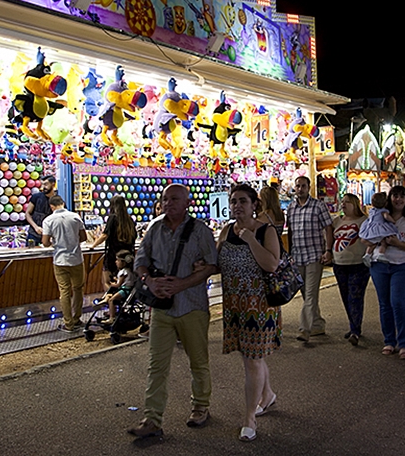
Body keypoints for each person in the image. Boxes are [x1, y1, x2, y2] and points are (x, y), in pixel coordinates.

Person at [127, 184, 218, 439]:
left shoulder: (200, 231)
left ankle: (201, 406)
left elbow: (211, 265)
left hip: (192, 306)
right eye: (165, 199)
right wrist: (149, 281)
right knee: (157, 364)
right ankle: (152, 418)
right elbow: (140, 261)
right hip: (162, 308)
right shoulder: (155, 228)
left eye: (175, 199)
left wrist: (182, 284)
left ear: (187, 202)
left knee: (198, 361)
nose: (169, 203)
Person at [213, 184, 281, 442]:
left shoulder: (265, 231)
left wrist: (251, 240)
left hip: (259, 307)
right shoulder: (226, 231)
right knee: (251, 358)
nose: (237, 206)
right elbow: (218, 265)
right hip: (234, 306)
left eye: (243, 201)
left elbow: (272, 264)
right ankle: (268, 395)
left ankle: (249, 418)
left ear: (255, 205)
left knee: (252, 360)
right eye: (233, 201)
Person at [366, 185, 405, 360]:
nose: (398, 199)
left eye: (402, 196)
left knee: (398, 301)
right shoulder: (379, 216)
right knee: (384, 304)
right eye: (395, 196)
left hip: (402, 265)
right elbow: (367, 236)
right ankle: (389, 340)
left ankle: (404, 342)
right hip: (380, 265)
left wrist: (398, 244)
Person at [287, 175, 334, 343]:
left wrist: (328, 250)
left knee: (311, 293)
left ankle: (304, 329)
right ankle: (318, 324)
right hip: (298, 256)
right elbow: (291, 231)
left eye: (303, 186)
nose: (300, 189)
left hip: (314, 255)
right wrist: (290, 252)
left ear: (309, 187)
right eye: (298, 186)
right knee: (306, 294)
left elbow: (328, 227)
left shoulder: (318, 206)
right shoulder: (291, 208)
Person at [41, 195, 87, 333]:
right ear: (63, 203)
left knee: (64, 291)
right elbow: (83, 237)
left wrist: (55, 242)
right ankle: (77, 319)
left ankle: (68, 323)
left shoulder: (48, 220)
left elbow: (45, 242)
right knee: (78, 289)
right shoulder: (75, 217)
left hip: (60, 260)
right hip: (77, 259)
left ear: (52, 206)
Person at [331, 193, 369, 345]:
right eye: (342, 202)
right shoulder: (336, 221)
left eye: (347, 202)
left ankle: (355, 330)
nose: (343, 204)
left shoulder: (364, 221)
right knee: (346, 296)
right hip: (339, 263)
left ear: (355, 204)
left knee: (355, 296)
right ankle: (353, 325)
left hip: (358, 264)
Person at [88, 195, 137, 290]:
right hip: (127, 256)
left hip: (113, 255)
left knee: (107, 281)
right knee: (123, 282)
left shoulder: (113, 218)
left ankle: (110, 300)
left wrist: (93, 245)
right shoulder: (129, 220)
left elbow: (105, 235)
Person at [359, 192, 399, 265]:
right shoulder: (383, 211)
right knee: (383, 242)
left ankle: (367, 254)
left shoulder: (372, 210)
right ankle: (381, 254)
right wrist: (393, 221)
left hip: (370, 228)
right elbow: (386, 217)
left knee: (372, 243)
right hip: (379, 228)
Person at [98, 249, 136, 323]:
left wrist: (110, 283)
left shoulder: (123, 272)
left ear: (123, 262)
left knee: (112, 300)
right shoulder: (130, 271)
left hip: (124, 290)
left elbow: (118, 285)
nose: (116, 262)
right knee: (109, 296)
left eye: (117, 260)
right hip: (128, 289)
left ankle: (112, 317)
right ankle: (106, 302)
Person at [26, 175, 56, 247]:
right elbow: (27, 213)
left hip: (50, 236)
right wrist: (36, 227)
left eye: (46, 184)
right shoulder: (36, 197)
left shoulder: (57, 200)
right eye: (42, 184)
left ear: (53, 184)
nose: (43, 187)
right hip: (33, 234)